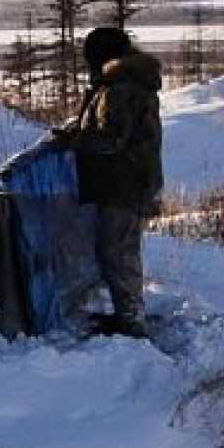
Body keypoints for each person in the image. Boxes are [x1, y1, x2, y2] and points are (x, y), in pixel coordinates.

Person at [54, 26, 164, 338]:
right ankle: (128, 316)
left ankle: (131, 321)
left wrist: (74, 140)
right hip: (128, 180)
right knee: (120, 250)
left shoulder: (120, 89)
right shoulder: (125, 84)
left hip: (122, 182)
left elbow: (112, 139)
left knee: (117, 252)